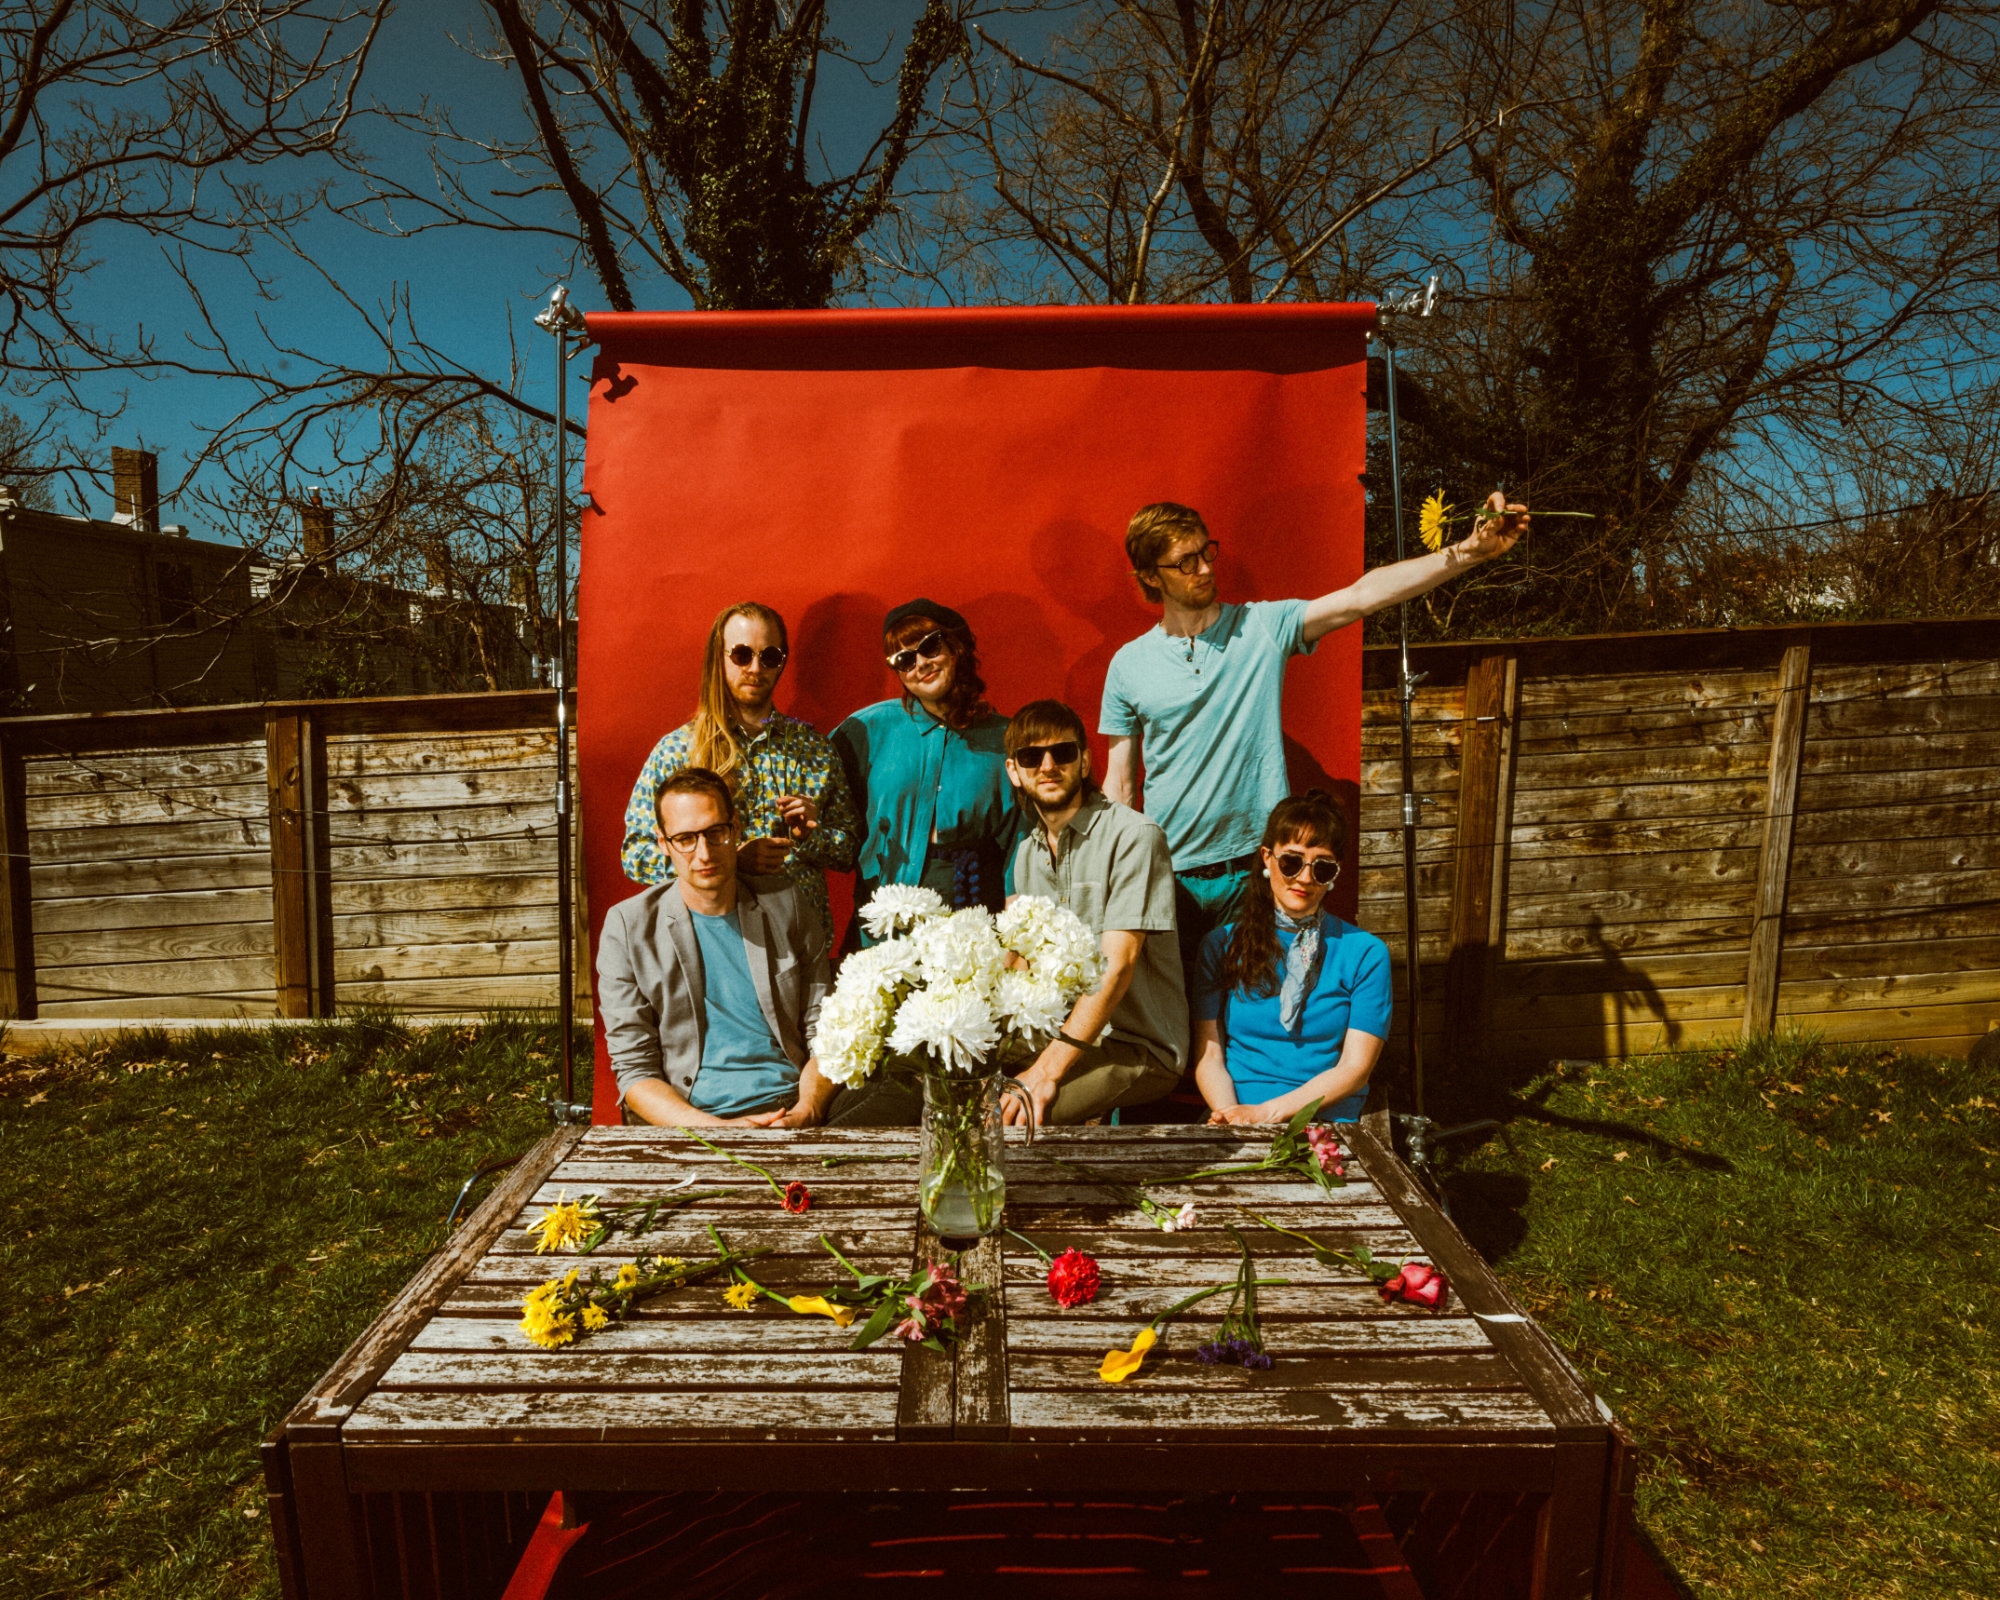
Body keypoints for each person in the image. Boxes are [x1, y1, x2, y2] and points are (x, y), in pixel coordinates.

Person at [1100, 494, 1528, 968]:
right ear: (1150, 576)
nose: (1203, 568)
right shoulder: (1127, 665)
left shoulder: (1261, 626)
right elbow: (1120, 786)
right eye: (1185, 562)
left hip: (1257, 869)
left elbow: (1363, 595)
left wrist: (1468, 552)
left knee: (1253, 1014)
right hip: (1169, 874)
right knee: (1175, 1024)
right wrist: (1115, 878)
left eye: (1206, 552)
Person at [598, 766, 838, 1128]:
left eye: (715, 832)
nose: (704, 853)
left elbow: (826, 1033)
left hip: (788, 1102)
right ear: (664, 843)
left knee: (902, 1093)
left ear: (736, 828)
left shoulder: (787, 903)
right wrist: (720, 1130)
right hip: (690, 1114)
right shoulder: (628, 928)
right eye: (685, 839)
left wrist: (807, 1110)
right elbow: (634, 1072)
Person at [622, 601, 859, 945]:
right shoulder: (677, 752)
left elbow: (849, 849)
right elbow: (636, 853)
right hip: (713, 946)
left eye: (770, 656)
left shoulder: (815, 750)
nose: (755, 667)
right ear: (718, 658)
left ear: (783, 662)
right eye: (742, 654)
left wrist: (812, 836)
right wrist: (728, 860)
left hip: (799, 944)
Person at [999, 699, 1186, 1127]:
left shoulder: (1134, 836)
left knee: (1012, 1119)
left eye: (1062, 753)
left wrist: (1045, 1072)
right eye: (1031, 756)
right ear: (1015, 771)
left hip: (1137, 1045)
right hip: (1060, 1037)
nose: (1047, 765)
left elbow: (1117, 967)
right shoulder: (1027, 855)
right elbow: (1025, 967)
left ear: (1084, 762)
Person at [1193, 790, 1390, 1125]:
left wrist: (1265, 1114)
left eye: (1322, 868)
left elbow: (1355, 1069)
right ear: (1268, 858)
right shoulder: (1221, 945)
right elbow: (1209, 1054)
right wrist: (1229, 1116)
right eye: (1292, 861)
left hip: (1325, 1118)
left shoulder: (1366, 954)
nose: (1305, 878)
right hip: (1234, 1111)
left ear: (1335, 874)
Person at [831, 599, 1023, 937]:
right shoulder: (866, 730)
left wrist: (1014, 923)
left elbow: (1023, 840)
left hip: (972, 920)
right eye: (904, 660)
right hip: (881, 927)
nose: (920, 664)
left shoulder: (1006, 739)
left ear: (956, 647)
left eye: (930, 647)